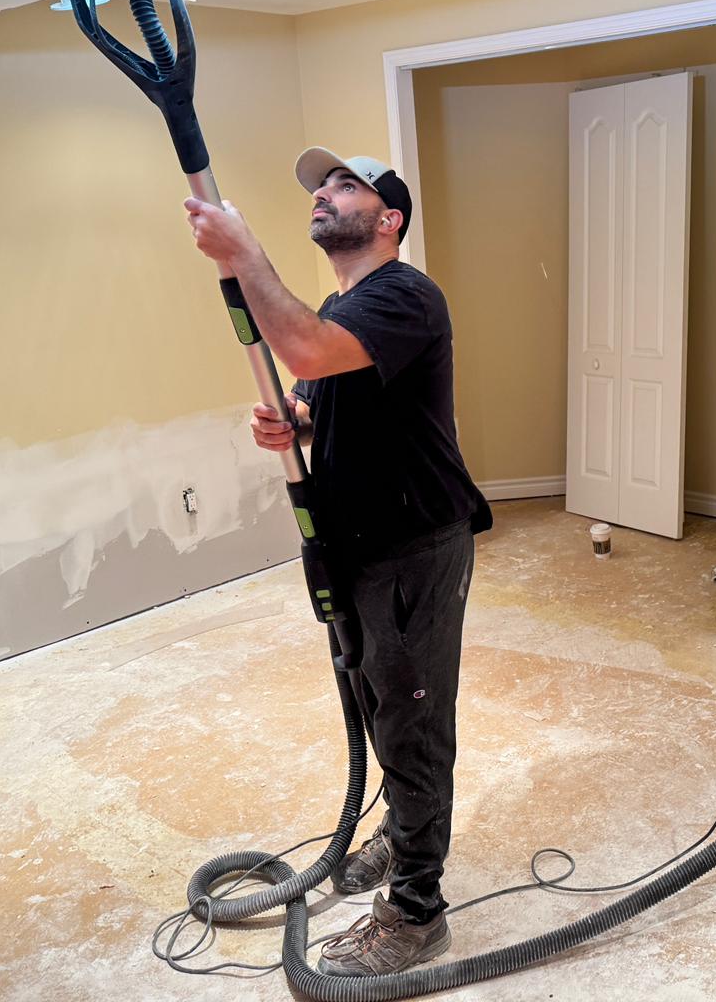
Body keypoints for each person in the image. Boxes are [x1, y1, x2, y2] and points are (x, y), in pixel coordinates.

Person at [184, 148, 491, 976]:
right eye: (321, 188)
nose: (324, 194)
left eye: (345, 186)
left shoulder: (406, 295)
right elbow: (319, 392)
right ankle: (397, 834)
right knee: (377, 698)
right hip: (354, 542)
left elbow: (311, 353)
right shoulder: (338, 303)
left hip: (416, 543)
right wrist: (295, 425)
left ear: (388, 219)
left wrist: (244, 253)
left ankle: (419, 913)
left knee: (414, 722)